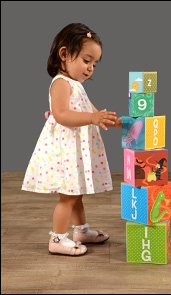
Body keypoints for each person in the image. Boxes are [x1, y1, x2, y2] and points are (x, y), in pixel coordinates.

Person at [21, 23, 122, 256]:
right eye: (87, 61)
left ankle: (81, 230)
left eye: (94, 64)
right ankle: (57, 239)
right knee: (68, 197)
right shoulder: (60, 83)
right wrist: (93, 117)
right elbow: (61, 114)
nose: (90, 68)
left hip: (75, 150)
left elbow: (93, 112)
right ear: (64, 54)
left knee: (76, 194)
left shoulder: (76, 86)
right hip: (65, 151)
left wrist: (113, 121)